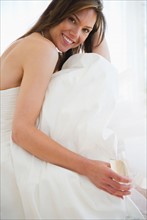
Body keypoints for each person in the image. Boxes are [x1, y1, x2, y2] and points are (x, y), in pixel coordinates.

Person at [0, 0, 145, 219]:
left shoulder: (33, 44)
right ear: (56, 12)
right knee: (98, 192)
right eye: (72, 19)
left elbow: (104, 72)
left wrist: (94, 27)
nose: (76, 34)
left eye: (85, 30)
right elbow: (21, 131)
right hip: (12, 154)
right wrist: (88, 168)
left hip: (15, 147)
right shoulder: (42, 50)